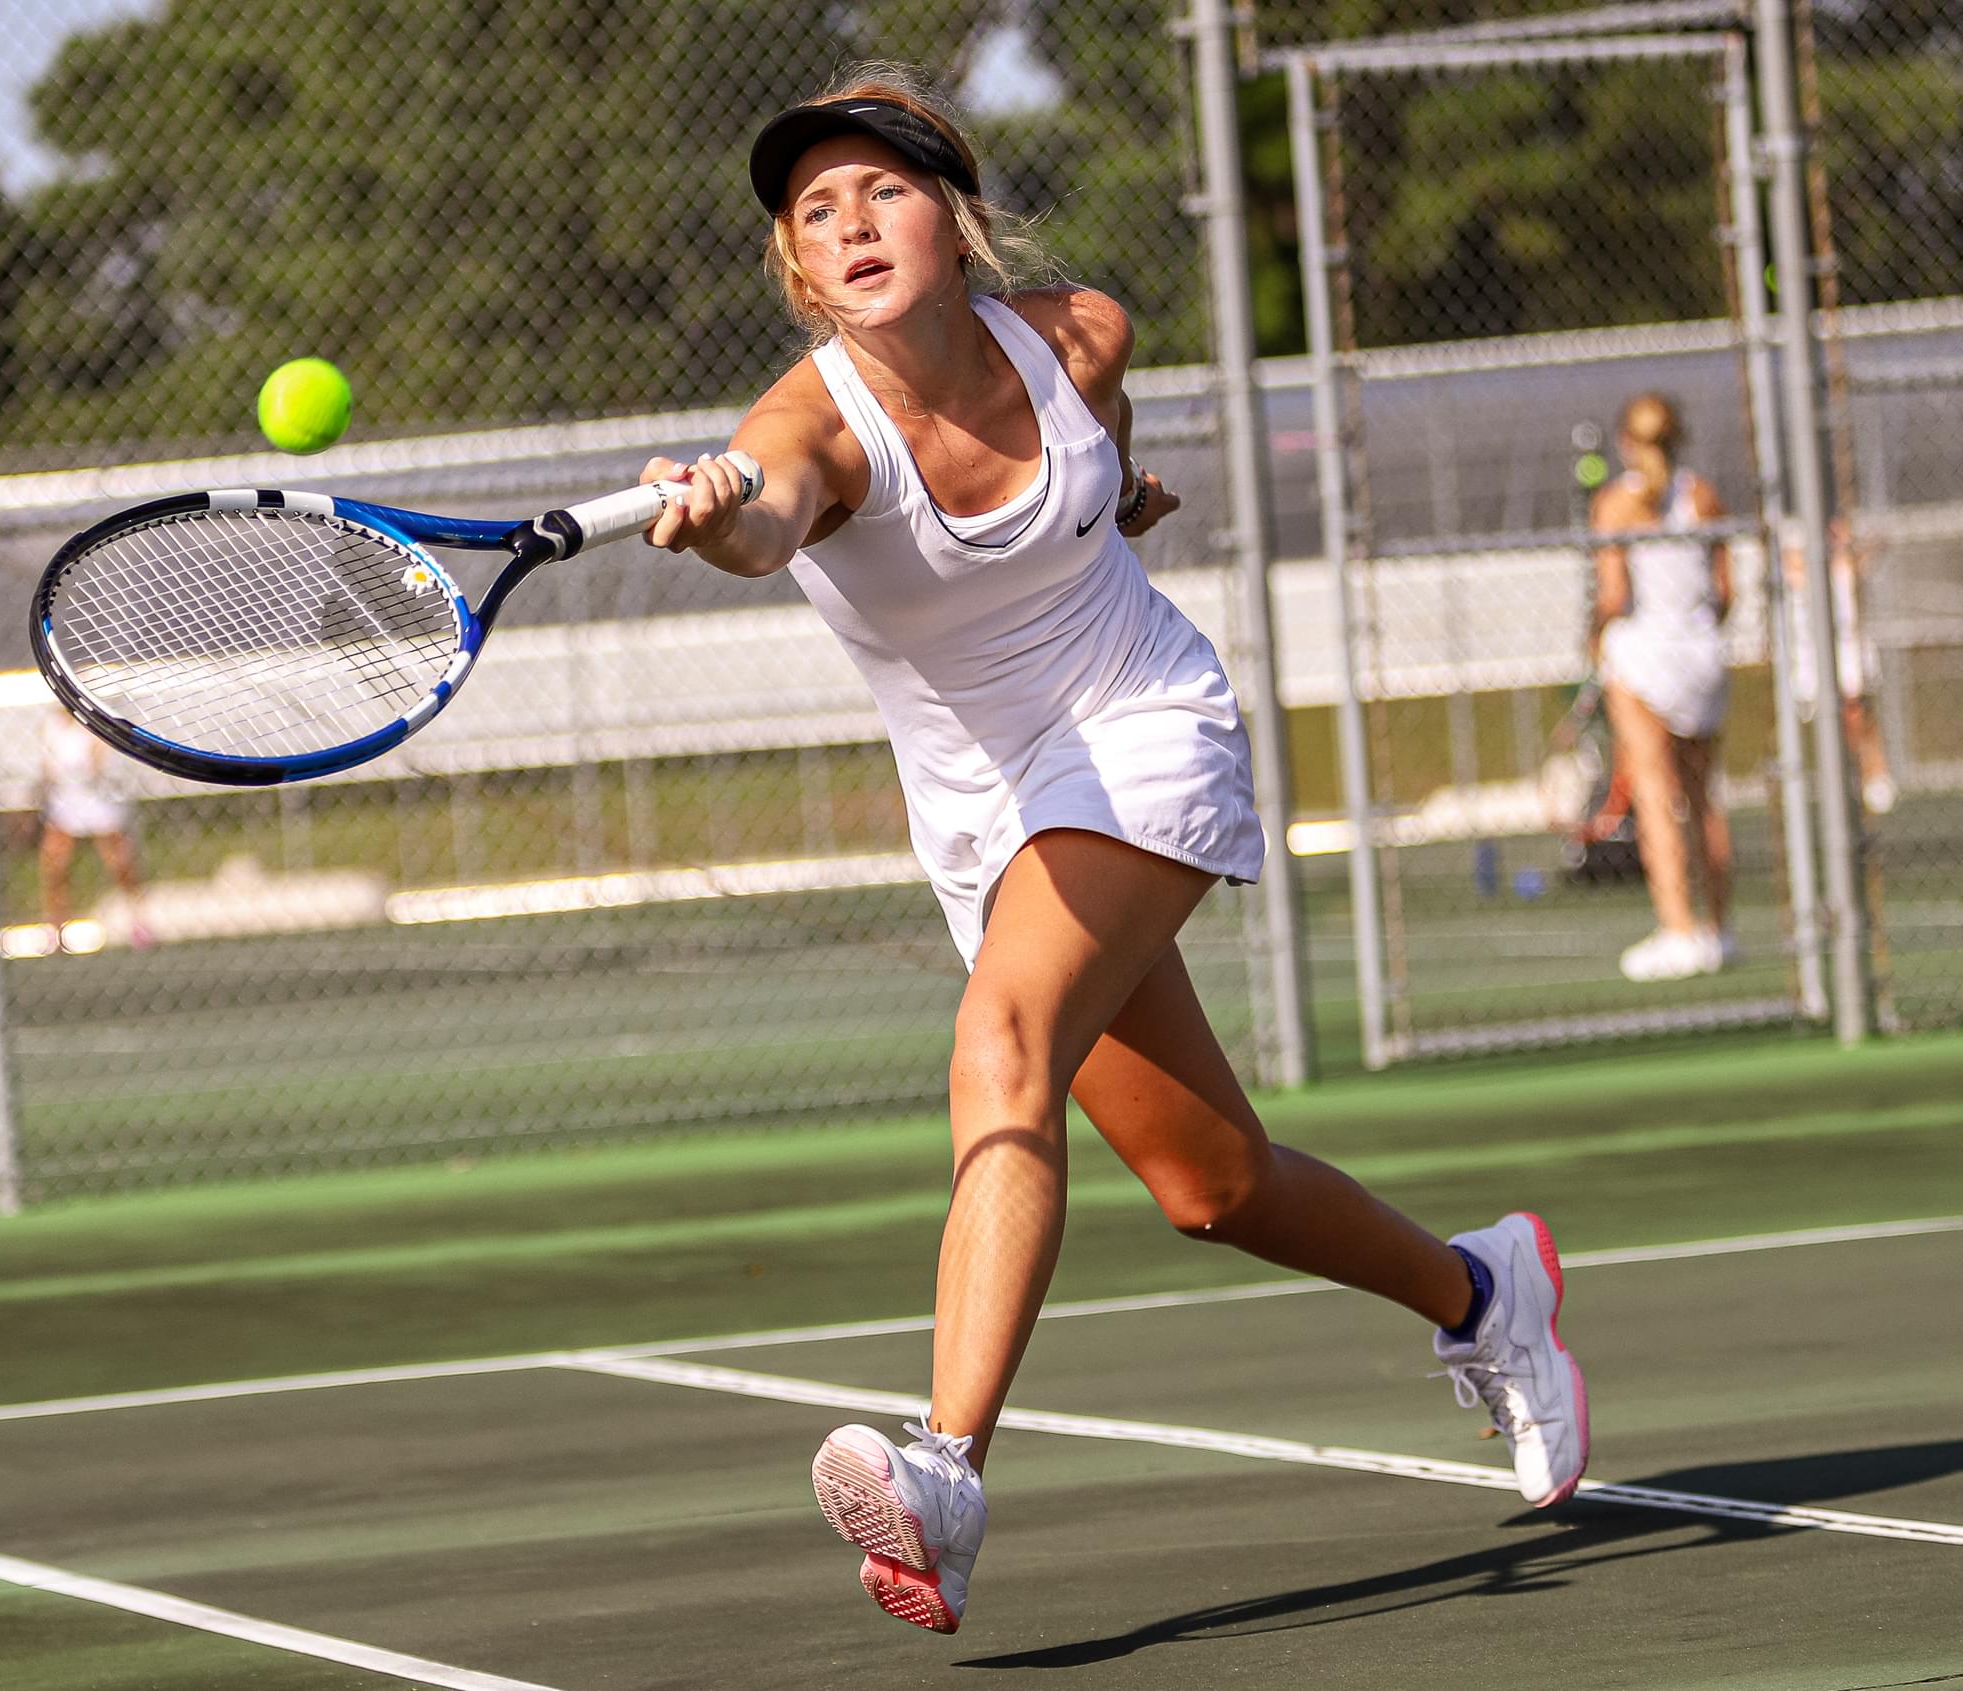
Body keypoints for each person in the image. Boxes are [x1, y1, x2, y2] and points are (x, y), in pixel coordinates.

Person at [638, 64, 1587, 1635]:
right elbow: (774, 512)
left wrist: (1116, 500)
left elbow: (1101, 446)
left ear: (954, 217)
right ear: (802, 272)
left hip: (1141, 721)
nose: (855, 220)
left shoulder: (1081, 332)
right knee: (1211, 1182)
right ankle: (1486, 1292)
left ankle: (944, 1467)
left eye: (885, 187)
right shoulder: (807, 427)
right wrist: (719, 510)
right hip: (984, 808)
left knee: (1001, 1036)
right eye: (820, 211)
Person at [1591, 393, 1735, 983]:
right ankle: (1718, 930)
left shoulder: (1615, 504)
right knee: (1703, 797)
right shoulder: (1703, 495)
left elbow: (1613, 597)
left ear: (1627, 441)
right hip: (1702, 656)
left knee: (1656, 796)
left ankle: (1678, 929)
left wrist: (1592, 639)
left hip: (1646, 657)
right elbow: (1725, 592)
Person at [1786, 516, 1894, 815]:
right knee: (1834, 720)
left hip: (1847, 646)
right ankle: (1846, 781)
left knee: (1856, 713)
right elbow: (1791, 568)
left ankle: (1872, 773)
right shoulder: (1792, 535)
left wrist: (1849, 549)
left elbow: (1870, 552)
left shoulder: (1842, 540)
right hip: (1810, 650)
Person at [38, 705, 150, 945]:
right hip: (65, 803)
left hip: (99, 801)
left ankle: (138, 923)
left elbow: (95, 763)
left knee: (120, 865)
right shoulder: (51, 726)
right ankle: (56, 931)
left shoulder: (94, 724)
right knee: (55, 867)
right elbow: (48, 767)